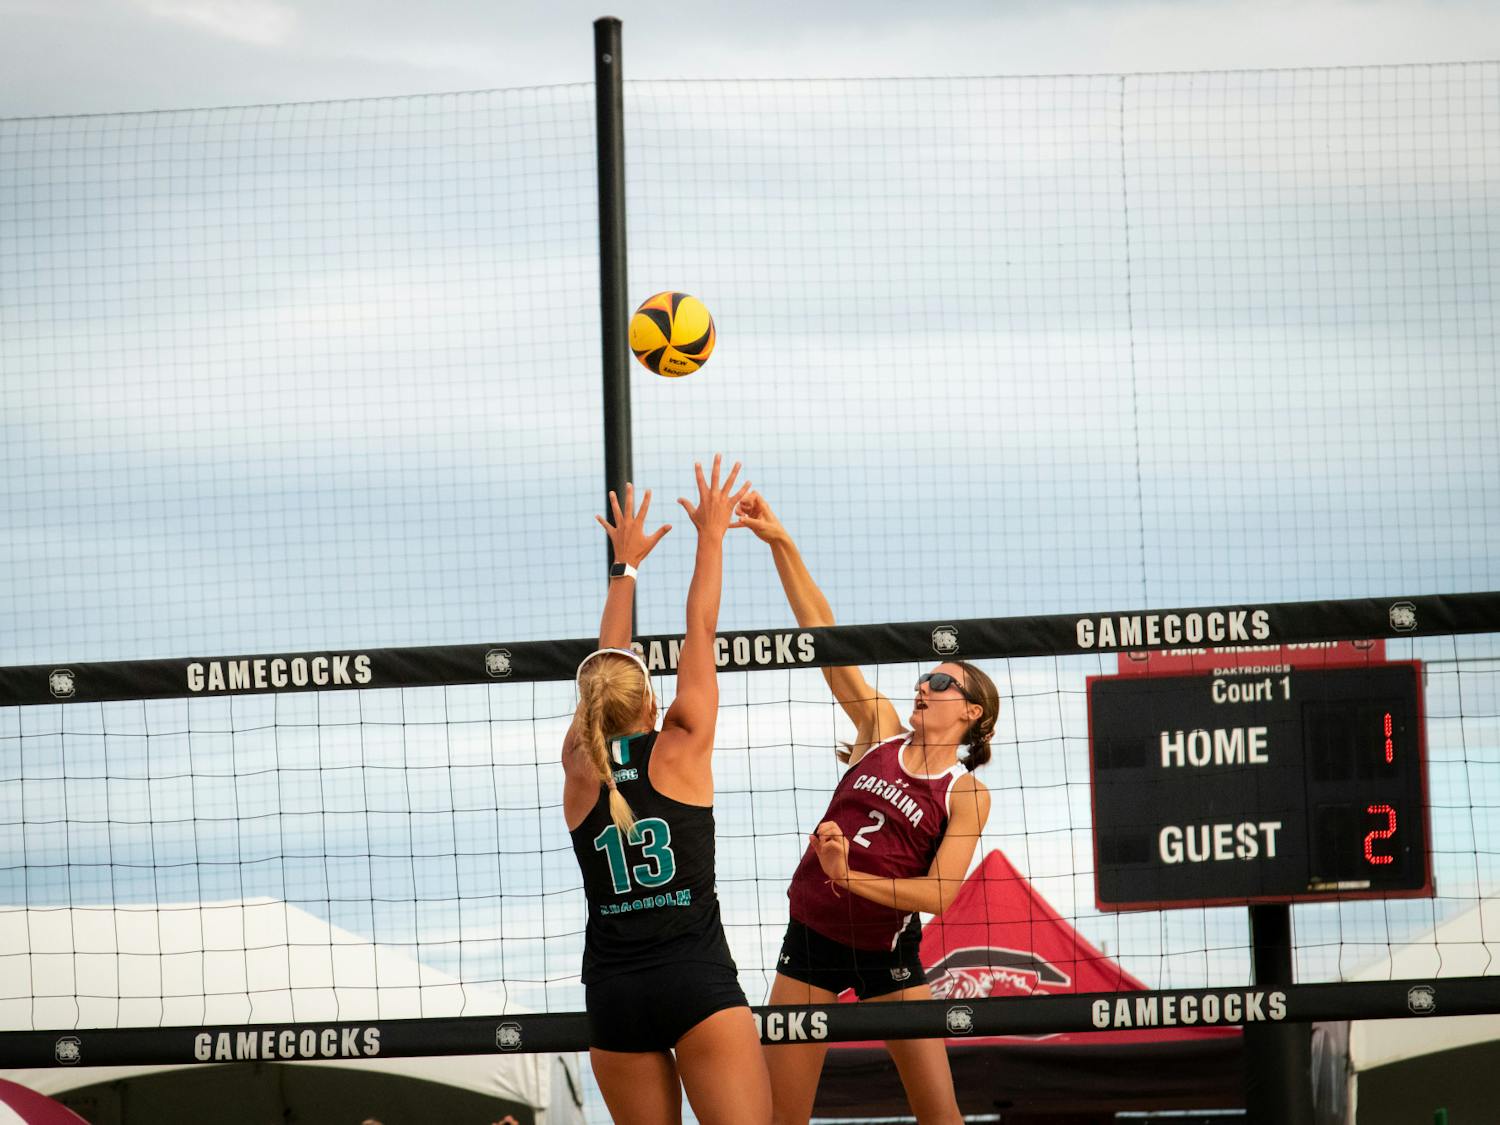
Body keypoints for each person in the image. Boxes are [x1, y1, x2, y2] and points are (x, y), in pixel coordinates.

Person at [736, 491, 998, 1125]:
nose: (923, 686)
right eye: (923, 678)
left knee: (941, 1114)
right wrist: (781, 542)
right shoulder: (878, 728)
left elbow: (938, 894)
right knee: (781, 1118)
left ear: (971, 712)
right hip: (814, 940)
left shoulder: (965, 792)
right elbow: (824, 638)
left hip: (889, 954)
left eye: (940, 682)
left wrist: (845, 873)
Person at [562, 457, 772, 1125]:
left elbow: (604, 679)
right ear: (652, 698)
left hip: (615, 996)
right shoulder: (680, 744)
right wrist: (712, 535)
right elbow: (700, 631)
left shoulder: (578, 767)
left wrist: (624, 572)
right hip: (695, 982)